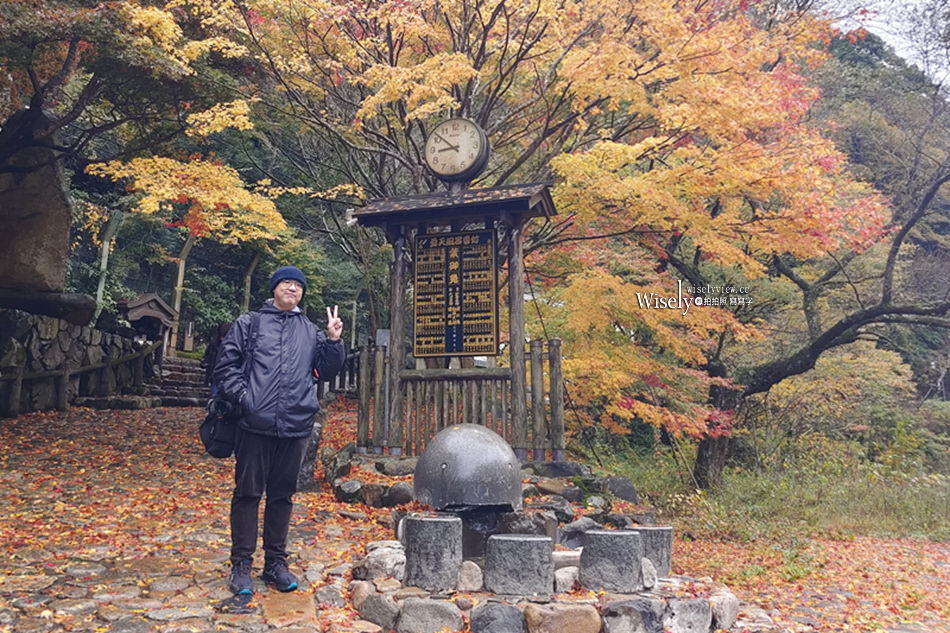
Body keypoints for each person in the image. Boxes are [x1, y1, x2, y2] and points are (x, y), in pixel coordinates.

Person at [213, 265, 344, 595]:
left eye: (298, 285)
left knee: (283, 496)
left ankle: (275, 563)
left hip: (295, 424)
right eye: (286, 283)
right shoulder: (250, 323)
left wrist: (333, 340)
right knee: (247, 494)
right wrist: (246, 399)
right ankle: (242, 563)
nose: (292, 288)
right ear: (274, 288)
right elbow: (225, 366)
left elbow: (326, 370)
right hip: (253, 424)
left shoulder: (310, 330)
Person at [200, 322, 232, 393]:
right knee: (215, 397)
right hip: (215, 377)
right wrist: (205, 363)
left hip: (228, 378)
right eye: (222, 337)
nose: (222, 339)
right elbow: (206, 358)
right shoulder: (213, 344)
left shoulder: (234, 346)